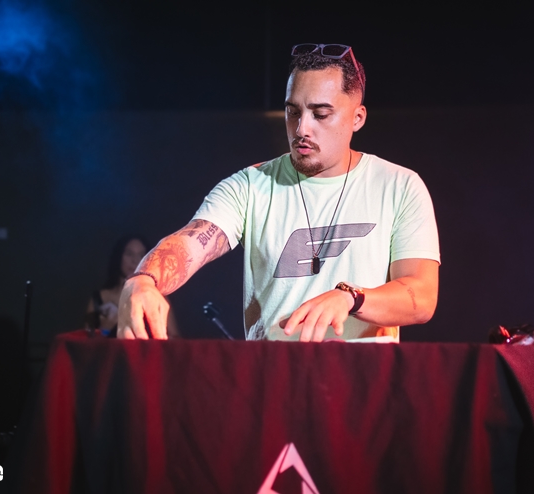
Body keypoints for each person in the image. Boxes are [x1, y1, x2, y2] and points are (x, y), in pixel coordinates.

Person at [118, 43, 440, 342]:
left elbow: (421, 297)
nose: (302, 129)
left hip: (364, 380)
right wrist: (143, 279)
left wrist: (350, 298)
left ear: (357, 118)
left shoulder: (399, 186)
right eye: (293, 111)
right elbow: (191, 242)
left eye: (320, 114)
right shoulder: (250, 186)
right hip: (272, 378)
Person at [87, 235, 178, 336]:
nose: (135, 260)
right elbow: (85, 341)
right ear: (119, 256)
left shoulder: (155, 297)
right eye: (129, 254)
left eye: (141, 255)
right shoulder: (99, 298)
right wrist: (105, 329)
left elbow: (174, 338)